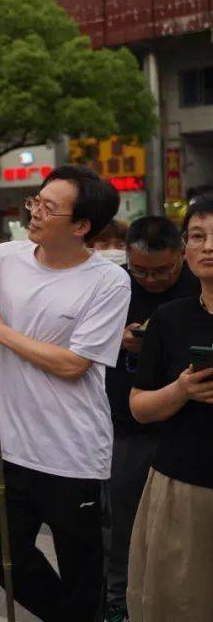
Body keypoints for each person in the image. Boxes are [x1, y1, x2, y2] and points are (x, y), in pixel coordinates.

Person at [0, 166, 130, 621]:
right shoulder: (7, 256)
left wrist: (2, 330)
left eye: (47, 207)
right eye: (35, 201)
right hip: (6, 446)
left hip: (72, 455)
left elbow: (75, 365)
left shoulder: (109, 281)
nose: (34, 212)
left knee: (83, 574)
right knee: (2, 558)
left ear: (81, 227)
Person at [100, 216, 199, 622]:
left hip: (187, 427)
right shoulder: (113, 286)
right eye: (140, 269)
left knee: (183, 533)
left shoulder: (199, 285)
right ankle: (118, 600)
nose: (151, 279)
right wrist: (116, 338)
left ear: (181, 255)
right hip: (127, 426)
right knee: (119, 522)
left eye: (162, 269)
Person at [127, 196, 213, 621]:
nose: (208, 246)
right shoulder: (170, 318)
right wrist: (180, 390)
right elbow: (140, 407)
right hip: (183, 487)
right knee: (179, 604)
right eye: (198, 236)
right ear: (186, 247)